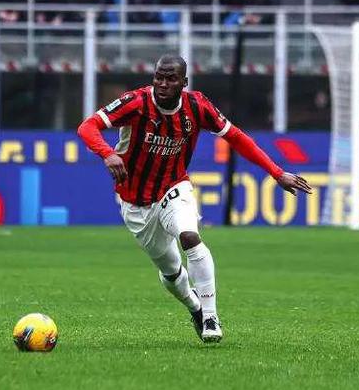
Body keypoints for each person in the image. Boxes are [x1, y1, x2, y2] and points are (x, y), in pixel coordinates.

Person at [77, 55, 312, 343]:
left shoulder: (197, 106)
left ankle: (211, 316)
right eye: (159, 77)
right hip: (136, 204)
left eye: (171, 79)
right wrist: (107, 153)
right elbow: (87, 126)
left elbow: (237, 137)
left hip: (173, 187)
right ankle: (195, 307)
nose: (163, 84)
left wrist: (276, 173)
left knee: (190, 236)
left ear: (184, 82)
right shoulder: (135, 102)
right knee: (171, 271)